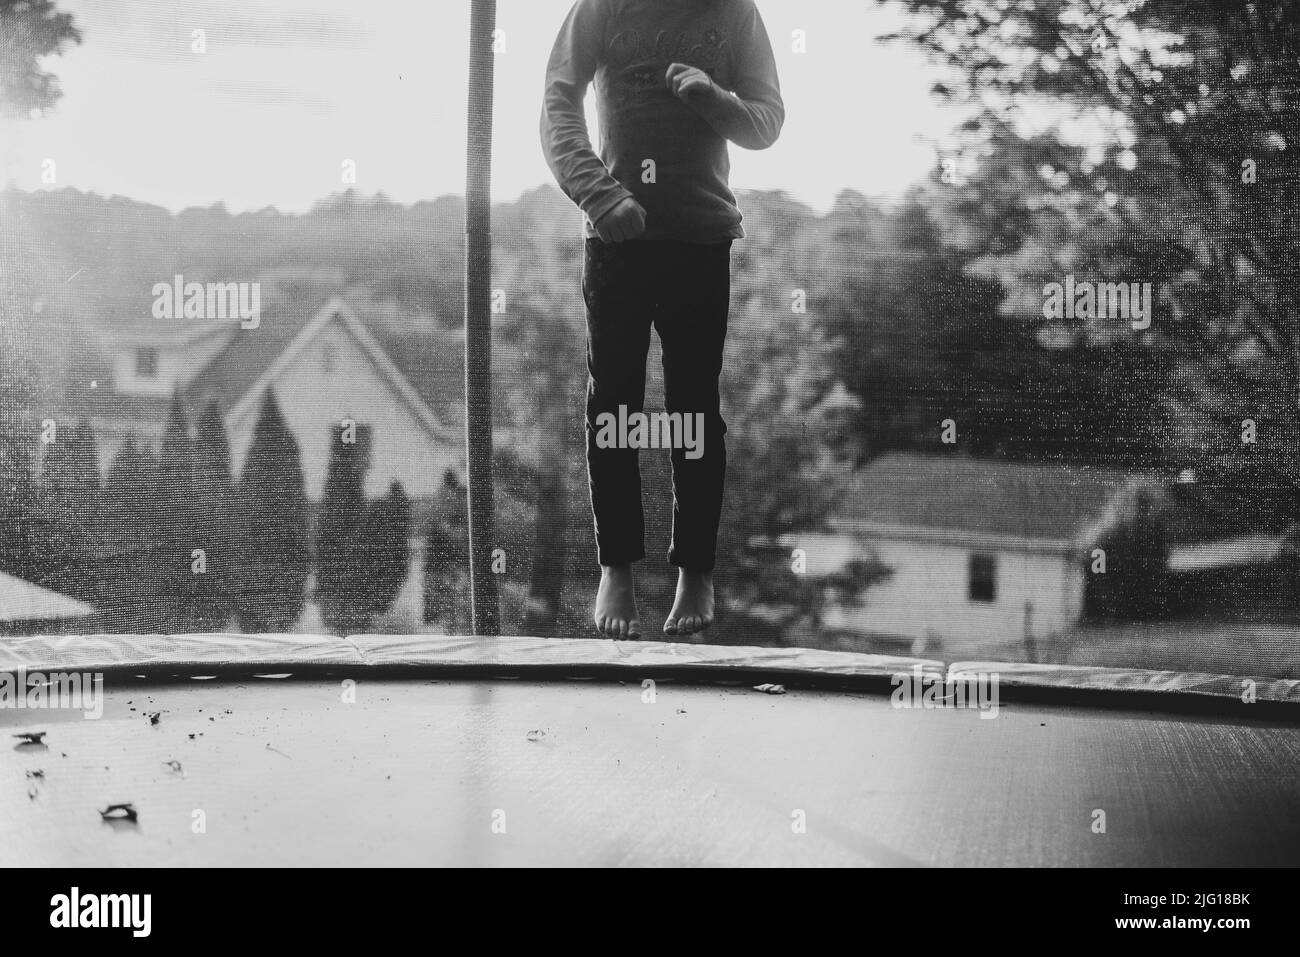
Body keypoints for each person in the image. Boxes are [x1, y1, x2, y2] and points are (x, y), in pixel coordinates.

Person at [542, 0, 784, 638]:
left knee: (694, 407)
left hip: (701, 239)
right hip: (615, 239)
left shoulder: (735, 11)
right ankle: (616, 565)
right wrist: (600, 195)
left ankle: (696, 569)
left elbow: (766, 122)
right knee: (613, 403)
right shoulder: (601, 6)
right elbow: (557, 105)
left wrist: (713, 98)